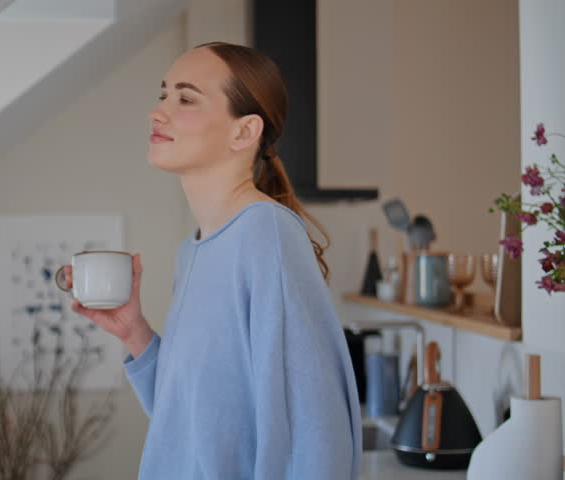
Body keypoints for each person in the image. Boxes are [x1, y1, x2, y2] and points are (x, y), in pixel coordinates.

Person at [63, 41, 361, 479]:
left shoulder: (265, 234)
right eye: (163, 95)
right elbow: (189, 419)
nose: (158, 111)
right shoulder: (196, 249)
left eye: (185, 98)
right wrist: (135, 333)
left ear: (244, 132)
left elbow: (315, 429)